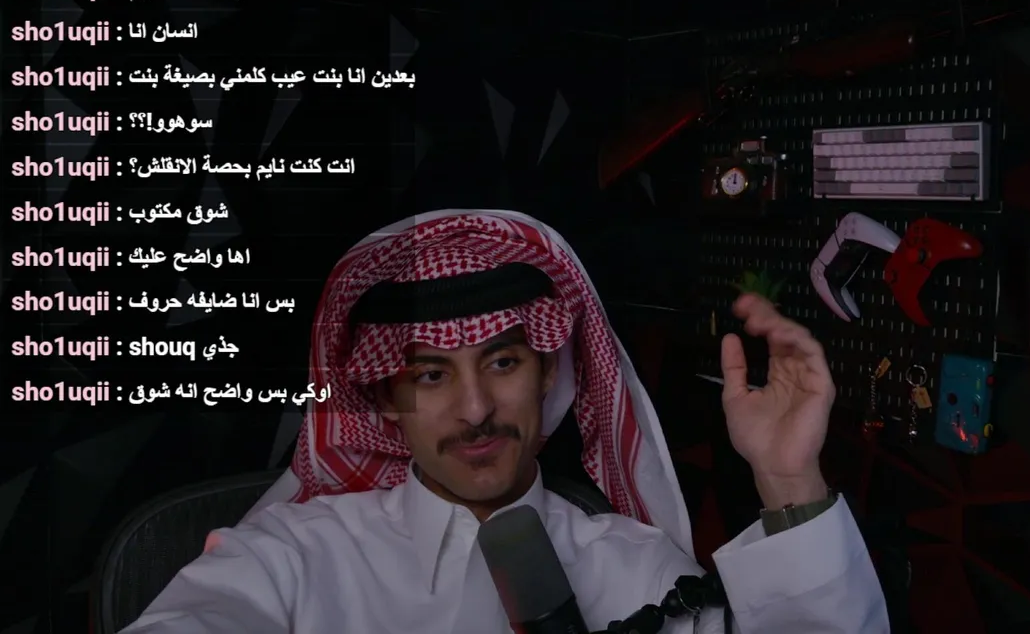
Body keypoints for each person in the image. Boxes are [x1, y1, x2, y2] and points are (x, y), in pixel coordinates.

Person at [123, 210, 888, 633]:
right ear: (385, 398)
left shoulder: (636, 569)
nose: (476, 409)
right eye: (430, 375)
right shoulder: (291, 557)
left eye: (501, 363)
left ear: (549, 372)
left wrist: (789, 478)